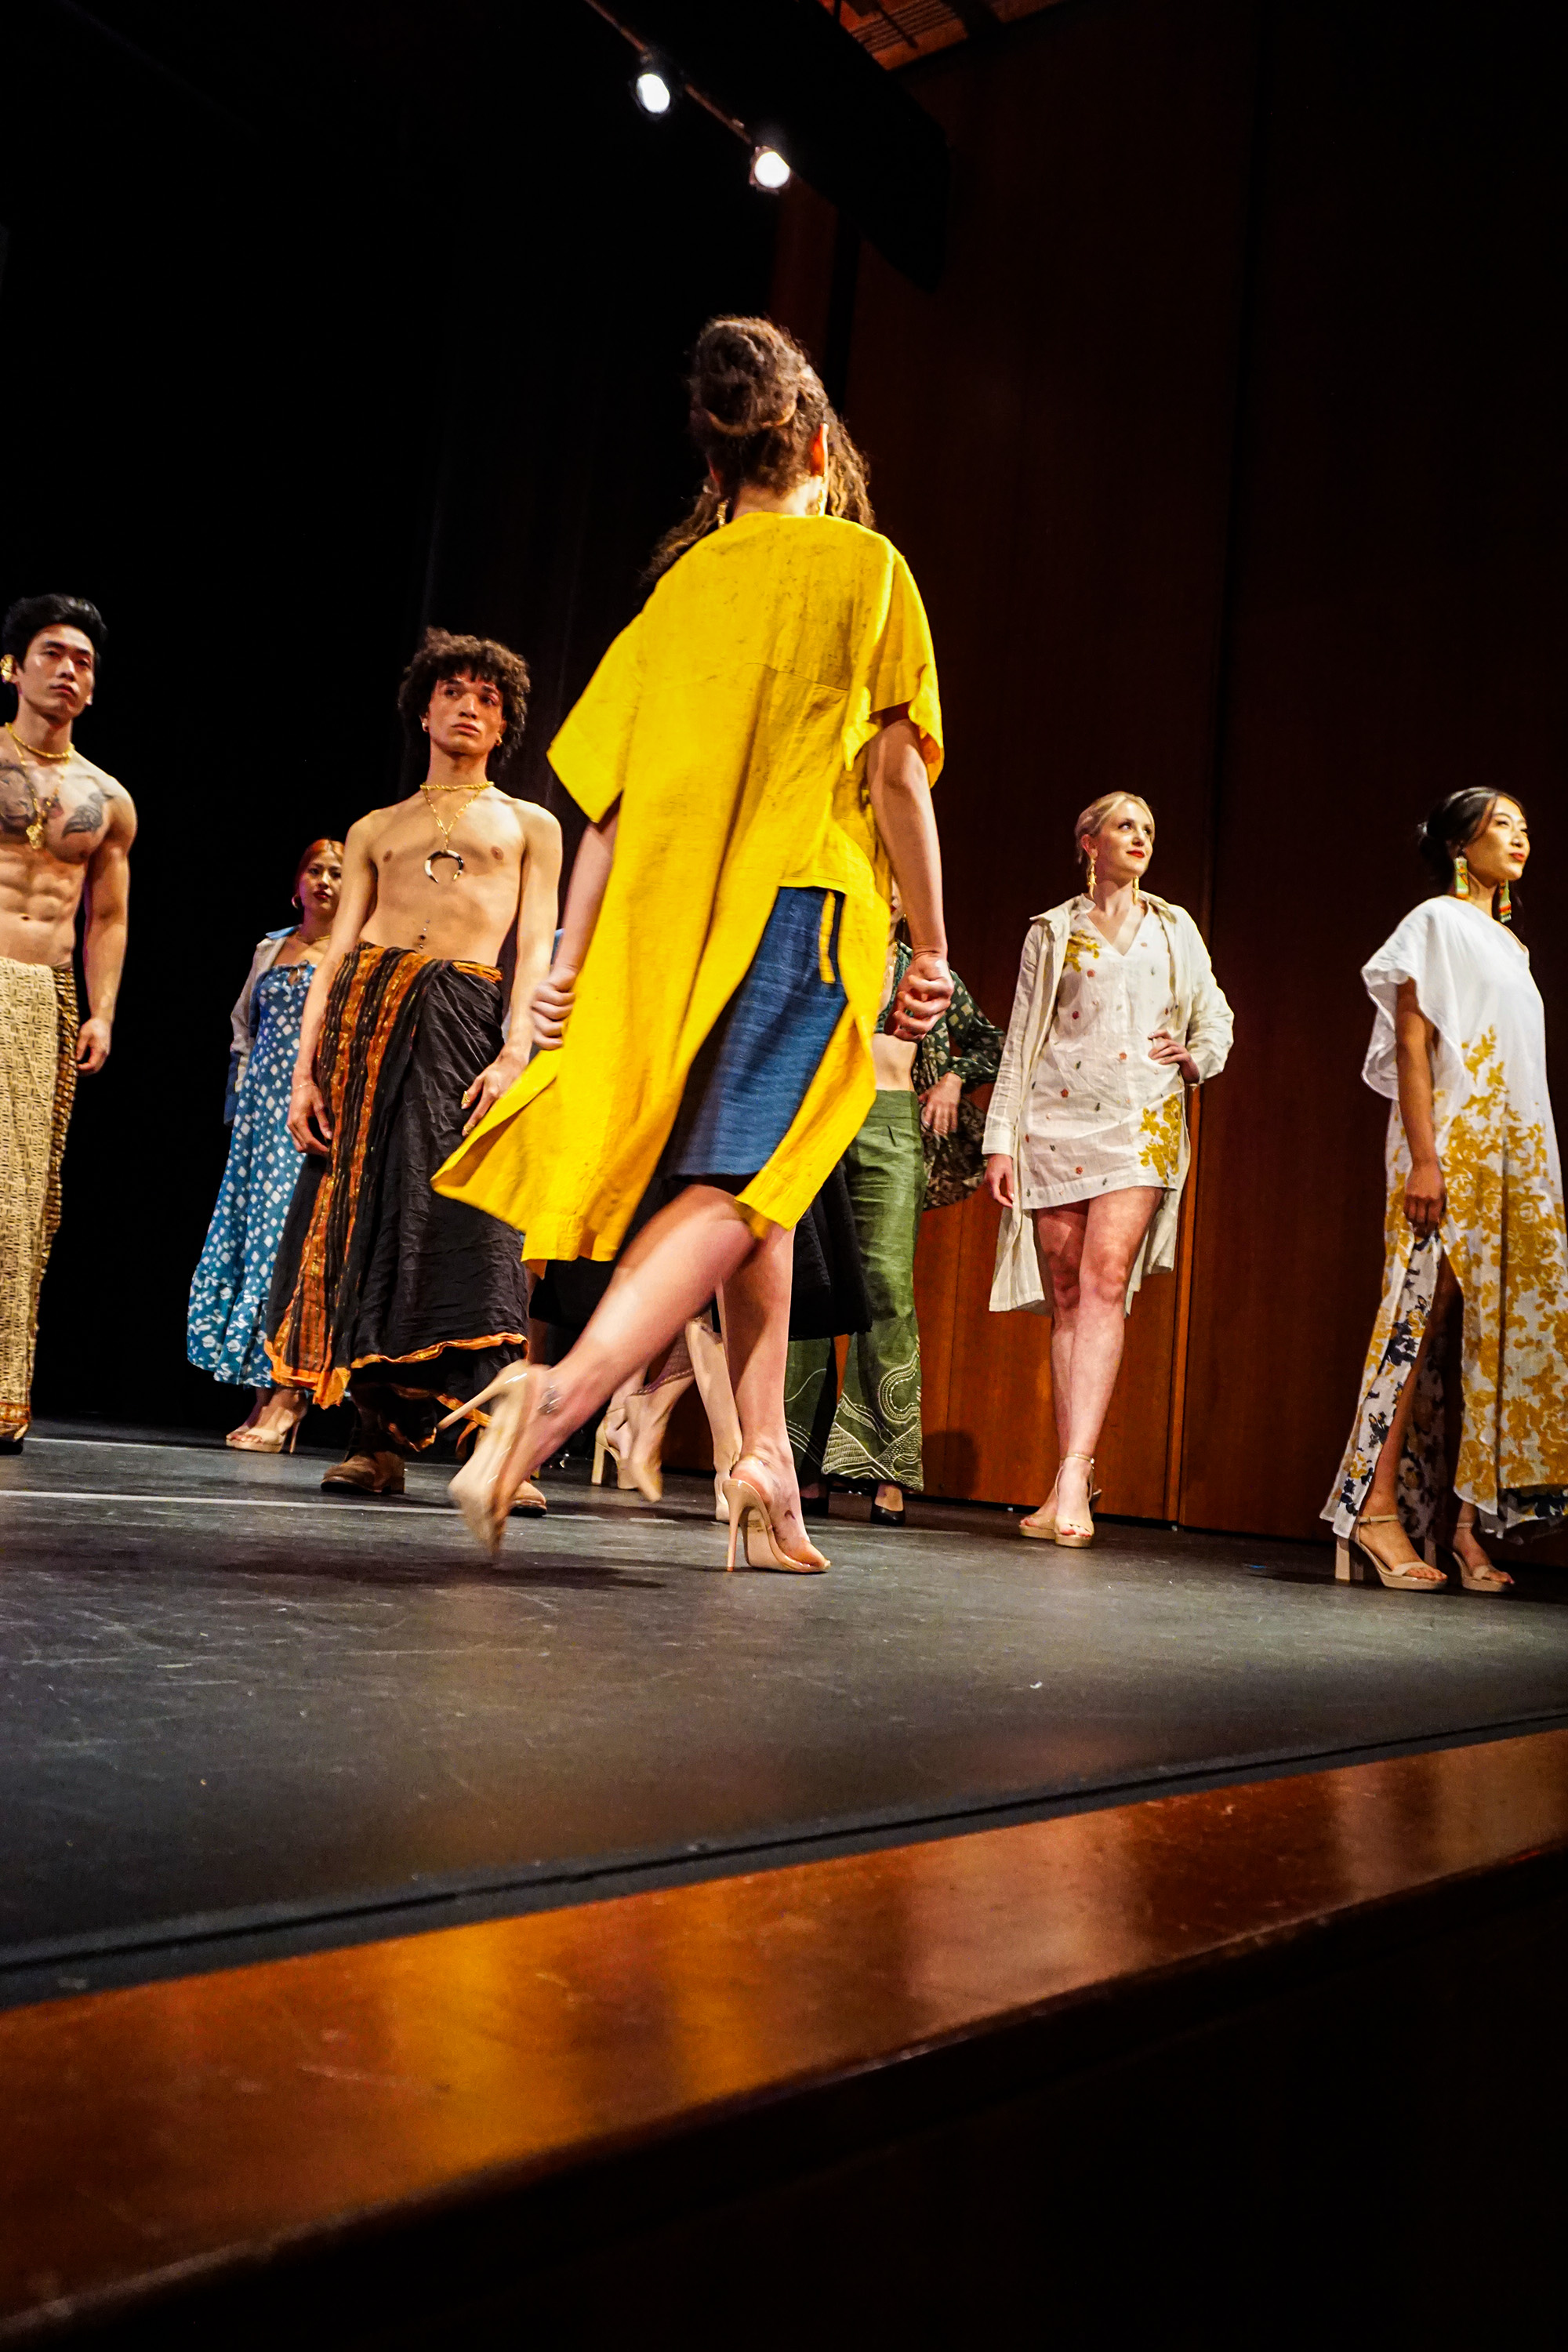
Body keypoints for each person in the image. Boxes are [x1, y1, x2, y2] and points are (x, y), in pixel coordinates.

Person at [433, 315, 951, 1566]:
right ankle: (556, 1399)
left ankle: (758, 1460)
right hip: (802, 919)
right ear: (818, 445)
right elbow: (893, 775)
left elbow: (600, 811)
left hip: (666, 939)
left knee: (759, 1196)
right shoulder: (864, 567)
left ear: (716, 474)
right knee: (739, 1187)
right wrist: (932, 943)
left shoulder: (676, 593)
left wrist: (564, 972)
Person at [269, 631, 561, 1497]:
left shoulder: (526, 824)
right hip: (366, 1018)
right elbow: (334, 951)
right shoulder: (376, 828)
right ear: (425, 708)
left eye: (487, 697)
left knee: (476, 1226)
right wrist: (303, 1072)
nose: (468, 706)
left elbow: (536, 948)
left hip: (467, 1020)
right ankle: (374, 1440)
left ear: (503, 721)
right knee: (369, 1219)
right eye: (453, 692)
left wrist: (517, 1051)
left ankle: (494, 1447)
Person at [1326, 790, 1566, 1591]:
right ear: (1461, 845)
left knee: (1486, 1338)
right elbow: (1410, 1041)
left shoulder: (1511, 947)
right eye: (1502, 824)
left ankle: (1464, 1527)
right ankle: (1373, 1508)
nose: (1518, 838)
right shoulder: (1434, 922)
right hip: (1448, 1147)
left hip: (1513, 1158)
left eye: (1525, 828)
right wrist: (1423, 1160)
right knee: (1413, 1320)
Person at [984, 793, 1232, 1547]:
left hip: (1140, 1121)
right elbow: (1023, 1035)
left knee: (1102, 1282)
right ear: (1087, 841)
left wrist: (1198, 1059)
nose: (1141, 839)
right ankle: (1069, 1473)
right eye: (1126, 827)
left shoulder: (1174, 927)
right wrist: (1000, 1139)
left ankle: (1072, 1476)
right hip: (1055, 1124)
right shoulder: (1051, 931)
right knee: (1066, 1293)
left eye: (1150, 830)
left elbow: (1214, 1016)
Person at [786, 893, 1002, 1525]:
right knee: (809, 1284)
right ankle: (800, 1464)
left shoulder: (922, 969)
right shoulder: (823, 954)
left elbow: (990, 1041)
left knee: (886, 1286)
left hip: (889, 1123)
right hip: (818, 1120)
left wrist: (955, 1078)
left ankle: (885, 1466)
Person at [0, 594, 136, 1453]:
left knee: (18, 1200)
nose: (69, 670)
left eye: (84, 660)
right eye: (53, 653)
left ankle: (6, 1386)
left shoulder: (108, 798)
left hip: (44, 994)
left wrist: (105, 1012)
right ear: (12, 667)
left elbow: (108, 917)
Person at [187, 840, 343, 1450]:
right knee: (255, 1245)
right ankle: (261, 1398)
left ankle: (289, 1395)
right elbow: (242, 1030)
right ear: (296, 883)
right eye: (315, 870)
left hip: (308, 1118)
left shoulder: (348, 953)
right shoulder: (270, 949)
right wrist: (239, 1105)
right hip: (258, 1117)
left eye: (336, 871)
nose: (325, 880)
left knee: (289, 1248)